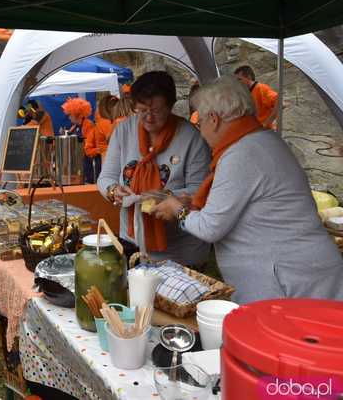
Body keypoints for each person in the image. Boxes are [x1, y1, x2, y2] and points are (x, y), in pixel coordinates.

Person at [152, 76, 343, 303]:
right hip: (301, 268)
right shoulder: (263, 140)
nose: (200, 131)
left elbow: (210, 228)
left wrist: (178, 210)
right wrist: (192, 202)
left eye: (199, 123)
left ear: (213, 119)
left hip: (288, 276)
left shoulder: (241, 154)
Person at [98, 71, 211, 266]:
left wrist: (163, 196)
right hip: (133, 242)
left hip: (180, 249)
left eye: (156, 111)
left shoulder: (191, 138)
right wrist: (113, 190)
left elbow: (200, 191)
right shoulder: (124, 131)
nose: (148, 118)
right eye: (142, 110)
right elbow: (106, 177)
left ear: (171, 105)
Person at [63, 97, 99, 184]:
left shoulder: (88, 125)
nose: (69, 118)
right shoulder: (74, 126)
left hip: (88, 161)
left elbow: (89, 144)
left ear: (77, 114)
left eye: (70, 115)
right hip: (79, 160)